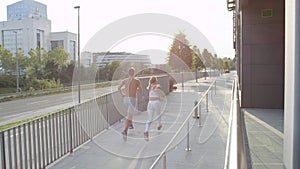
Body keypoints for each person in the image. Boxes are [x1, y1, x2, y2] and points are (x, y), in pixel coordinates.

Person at [118, 67, 143, 141]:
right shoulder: (136, 80)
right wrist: (136, 88)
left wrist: (122, 94)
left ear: (128, 73)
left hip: (126, 99)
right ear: (134, 73)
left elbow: (119, 88)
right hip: (132, 99)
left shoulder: (125, 80)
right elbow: (140, 90)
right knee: (129, 115)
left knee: (130, 113)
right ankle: (125, 130)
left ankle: (131, 124)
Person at [144, 76, 163, 141]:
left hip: (150, 103)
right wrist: (160, 97)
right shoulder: (156, 86)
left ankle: (146, 130)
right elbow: (156, 91)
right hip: (156, 102)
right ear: (155, 81)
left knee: (150, 119)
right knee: (159, 114)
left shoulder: (149, 87)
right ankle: (159, 125)